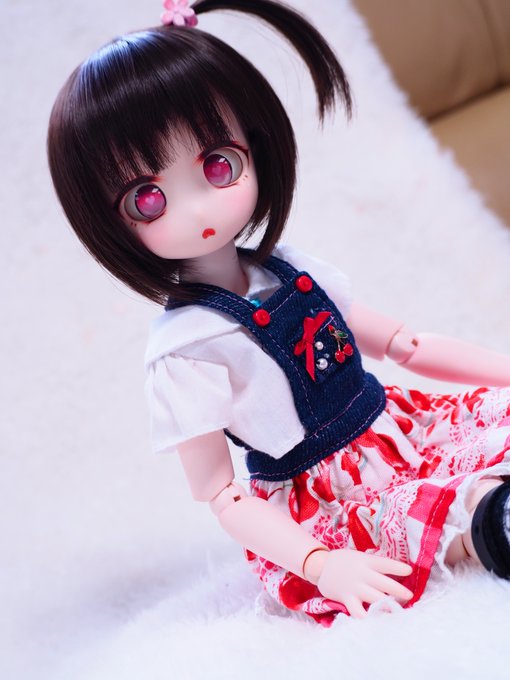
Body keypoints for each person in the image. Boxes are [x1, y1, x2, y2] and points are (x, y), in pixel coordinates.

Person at [47, 0, 510, 626]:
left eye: (218, 165)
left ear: (256, 146)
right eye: (148, 198)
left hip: (397, 429)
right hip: (324, 493)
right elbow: (221, 492)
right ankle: (486, 525)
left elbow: (406, 344)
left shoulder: (293, 269)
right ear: (107, 221)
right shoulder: (187, 348)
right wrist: (320, 563)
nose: (197, 208)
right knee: (443, 520)